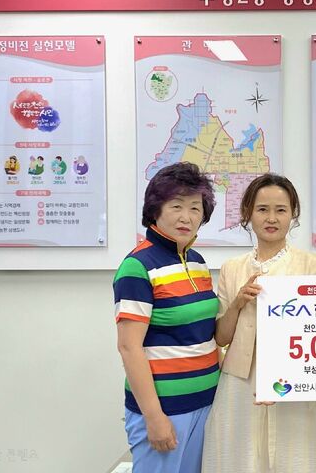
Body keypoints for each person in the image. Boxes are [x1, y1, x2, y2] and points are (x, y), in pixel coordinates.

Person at [202, 174, 316, 473]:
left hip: (294, 381)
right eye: (262, 209)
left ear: (293, 214)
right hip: (240, 381)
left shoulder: (311, 264)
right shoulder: (231, 268)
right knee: (241, 460)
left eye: (281, 210)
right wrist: (238, 302)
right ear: (248, 213)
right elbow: (221, 338)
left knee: (295, 459)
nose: (272, 218)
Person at [114, 162, 220, 473]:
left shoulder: (197, 262)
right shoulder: (137, 266)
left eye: (195, 208)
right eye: (176, 205)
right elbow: (129, 347)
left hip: (205, 403)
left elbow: (203, 333)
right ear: (155, 209)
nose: (186, 217)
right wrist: (154, 417)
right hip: (165, 410)